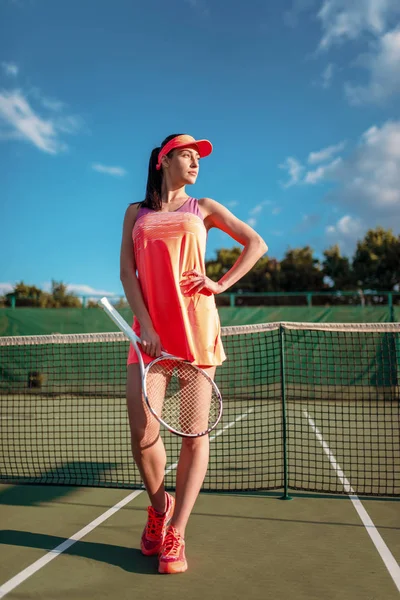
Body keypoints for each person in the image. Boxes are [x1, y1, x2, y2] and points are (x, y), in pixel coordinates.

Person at [120, 133, 268, 574]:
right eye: (186, 155)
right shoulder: (136, 212)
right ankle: (159, 508)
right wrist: (144, 323)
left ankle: (176, 532)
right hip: (149, 335)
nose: (194, 162)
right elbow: (127, 271)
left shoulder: (203, 208)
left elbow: (255, 243)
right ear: (164, 160)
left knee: (193, 436)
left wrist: (220, 283)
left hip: (197, 330)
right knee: (142, 434)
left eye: (197, 157)